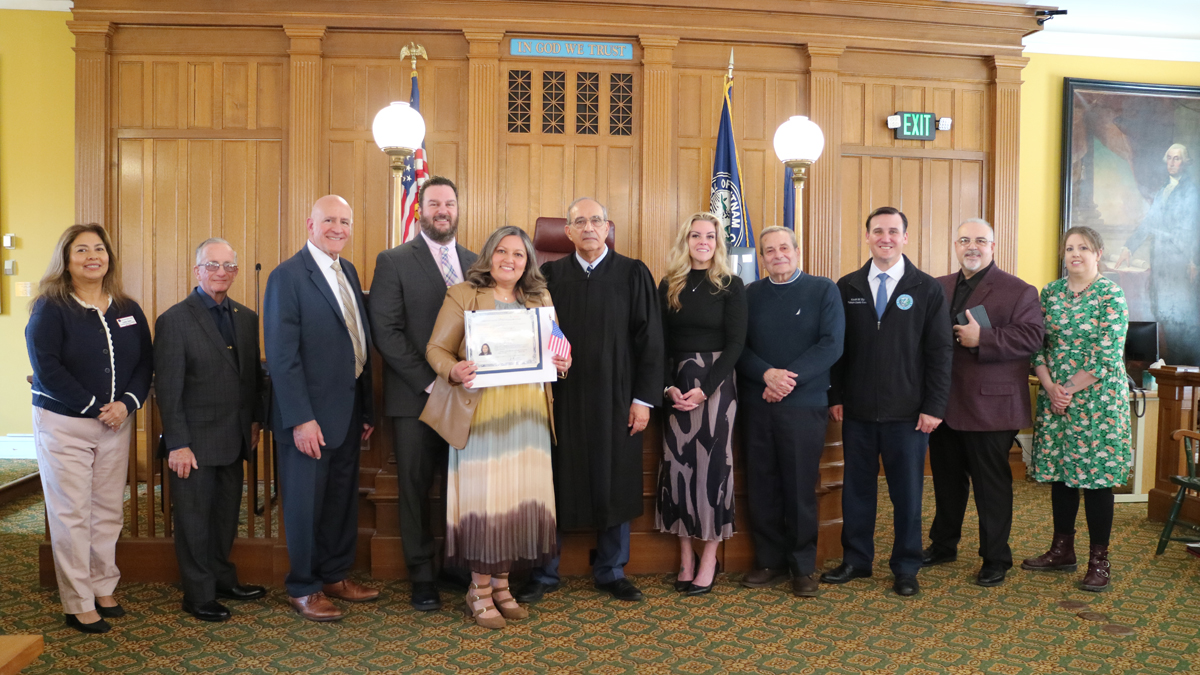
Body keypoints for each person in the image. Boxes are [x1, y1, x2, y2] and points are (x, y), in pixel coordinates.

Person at [516, 197, 664, 604]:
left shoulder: (633, 273)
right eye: (579, 222)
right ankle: (544, 571)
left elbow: (651, 341)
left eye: (596, 221)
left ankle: (612, 570)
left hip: (617, 398)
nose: (589, 228)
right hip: (560, 398)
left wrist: (643, 400)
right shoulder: (549, 276)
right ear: (567, 232)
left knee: (616, 478)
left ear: (607, 227)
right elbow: (531, 332)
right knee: (552, 480)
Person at [424, 225, 568, 629]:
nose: (510, 260)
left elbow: (556, 349)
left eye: (518, 254)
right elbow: (436, 348)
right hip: (483, 414)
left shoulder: (540, 297)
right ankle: (480, 588)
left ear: (528, 262)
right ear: (489, 256)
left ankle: (503, 586)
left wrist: (562, 362)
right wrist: (453, 369)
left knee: (516, 499)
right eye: (502, 251)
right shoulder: (464, 294)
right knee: (487, 501)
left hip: (529, 414)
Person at [26, 224, 153, 633]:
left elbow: (144, 363)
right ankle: (78, 601)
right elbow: (46, 368)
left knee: (107, 511)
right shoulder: (51, 307)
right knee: (72, 514)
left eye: (99, 248)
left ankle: (102, 586)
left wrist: (127, 404)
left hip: (116, 424)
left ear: (109, 257)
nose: (92, 256)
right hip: (64, 424)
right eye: (81, 250)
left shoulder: (128, 308)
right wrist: (94, 407)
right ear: (66, 260)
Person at [822, 206, 953, 598]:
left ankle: (906, 566)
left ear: (905, 238)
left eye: (893, 231)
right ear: (867, 237)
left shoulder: (926, 288)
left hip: (910, 416)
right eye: (878, 231)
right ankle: (856, 560)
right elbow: (837, 350)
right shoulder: (847, 287)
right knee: (856, 492)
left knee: (907, 495)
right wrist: (835, 395)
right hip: (857, 412)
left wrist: (934, 407)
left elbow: (940, 353)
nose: (886, 238)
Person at [264, 195, 378, 622]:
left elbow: (355, 342)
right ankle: (303, 587)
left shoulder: (347, 271)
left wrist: (365, 410)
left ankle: (333, 576)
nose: (338, 228)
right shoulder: (287, 276)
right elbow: (282, 356)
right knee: (304, 506)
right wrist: (301, 418)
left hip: (347, 412)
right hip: (308, 418)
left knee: (340, 502)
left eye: (345, 221)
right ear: (309, 224)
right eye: (329, 220)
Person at [369, 176, 478, 611]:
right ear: (419, 211)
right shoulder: (393, 261)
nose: (442, 211)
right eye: (434, 204)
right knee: (414, 488)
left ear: (457, 209)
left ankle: (455, 565)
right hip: (416, 395)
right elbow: (387, 331)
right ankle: (421, 576)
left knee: (460, 486)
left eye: (449, 203)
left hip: (467, 397)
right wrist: (433, 380)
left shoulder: (475, 262)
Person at [921, 219, 1044, 587]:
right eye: (964, 240)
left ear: (993, 246)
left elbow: (1032, 338)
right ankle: (943, 544)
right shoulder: (937, 286)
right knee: (946, 481)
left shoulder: (1019, 290)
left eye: (979, 240)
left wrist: (984, 338)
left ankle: (995, 558)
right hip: (944, 403)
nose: (971, 246)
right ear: (955, 246)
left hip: (992, 407)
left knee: (991, 488)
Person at [154, 238, 268, 622]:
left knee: (224, 518)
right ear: (197, 270)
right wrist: (178, 443)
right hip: (193, 444)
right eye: (212, 265)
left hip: (235, 438)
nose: (221, 272)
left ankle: (221, 580)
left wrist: (254, 421)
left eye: (228, 266)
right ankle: (198, 594)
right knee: (194, 523)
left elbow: (252, 379)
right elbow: (168, 390)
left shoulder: (246, 318)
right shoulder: (174, 320)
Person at [736, 226, 843, 598]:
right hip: (758, 403)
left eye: (784, 248)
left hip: (804, 406)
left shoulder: (823, 289)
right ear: (761, 258)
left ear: (797, 252)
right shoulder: (749, 294)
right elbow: (738, 346)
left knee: (800, 488)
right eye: (769, 250)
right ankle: (769, 561)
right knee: (761, 485)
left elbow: (831, 345)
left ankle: (802, 566)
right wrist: (767, 375)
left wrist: (785, 380)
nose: (778, 255)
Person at [1024, 225, 1131, 592]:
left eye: (1083, 248)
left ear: (1098, 254)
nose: (1075, 254)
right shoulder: (1050, 293)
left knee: (1096, 480)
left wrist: (1065, 390)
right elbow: (1037, 345)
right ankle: (1062, 550)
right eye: (1069, 248)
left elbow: (1107, 355)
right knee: (1061, 474)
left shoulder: (1110, 295)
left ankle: (1099, 561)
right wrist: (1050, 387)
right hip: (1056, 398)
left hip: (1097, 402)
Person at [655, 212, 746, 596]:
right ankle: (685, 557)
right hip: (676, 384)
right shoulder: (669, 284)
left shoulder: (730, 284)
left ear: (718, 242)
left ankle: (709, 557)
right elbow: (658, 342)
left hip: (717, 385)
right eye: (696, 235)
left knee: (712, 470)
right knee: (677, 468)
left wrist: (705, 389)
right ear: (686, 241)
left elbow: (736, 344)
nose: (703, 242)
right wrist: (667, 387)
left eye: (710, 236)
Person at [1115, 143, 1200, 366]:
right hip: (1162, 265)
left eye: (1177, 158)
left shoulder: (1192, 192)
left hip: (1180, 266)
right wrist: (1129, 247)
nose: (1172, 163)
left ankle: (1186, 372)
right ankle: (1173, 369)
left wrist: (1194, 261)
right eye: (1169, 158)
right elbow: (1149, 222)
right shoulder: (1164, 189)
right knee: (1164, 315)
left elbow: (1193, 230)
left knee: (1181, 320)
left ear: (1185, 162)